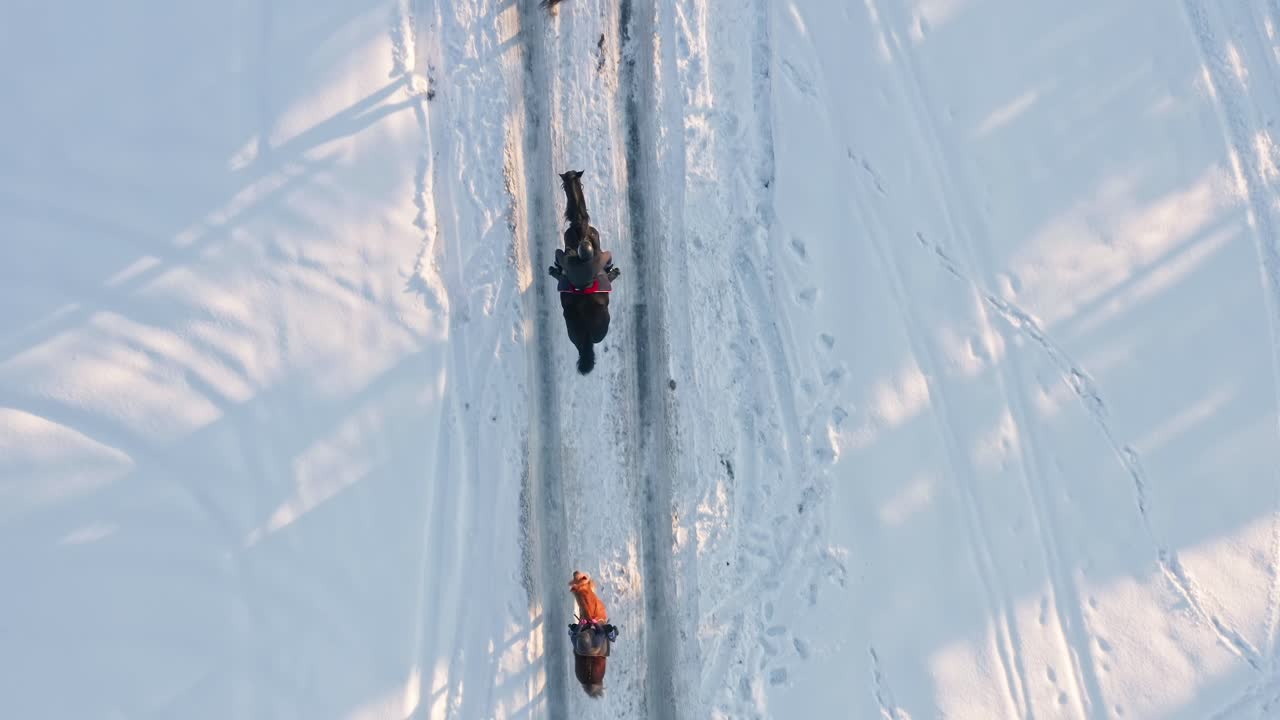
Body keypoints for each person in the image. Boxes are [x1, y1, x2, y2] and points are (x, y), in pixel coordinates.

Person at [550, 239, 620, 293]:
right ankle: (609, 276)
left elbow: (558, 252)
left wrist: (559, 265)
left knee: (565, 273)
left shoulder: (569, 261)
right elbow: (608, 254)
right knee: (601, 274)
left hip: (574, 285)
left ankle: (557, 273)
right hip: (590, 286)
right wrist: (607, 267)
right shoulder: (597, 262)